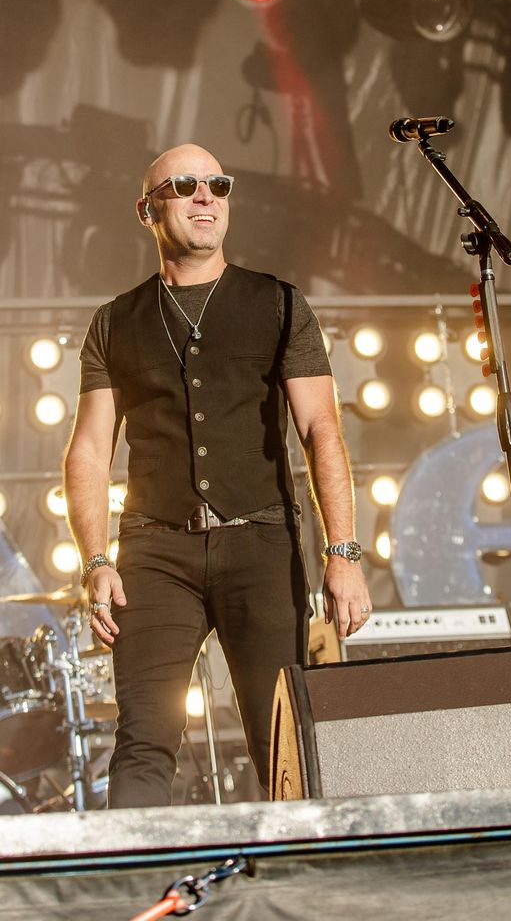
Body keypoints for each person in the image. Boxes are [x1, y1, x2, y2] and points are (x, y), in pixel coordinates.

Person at [63, 144, 372, 808]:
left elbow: (321, 430)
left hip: (260, 545)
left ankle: (296, 873)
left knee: (281, 741)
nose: (206, 197)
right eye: (184, 185)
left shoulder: (279, 304)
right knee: (143, 740)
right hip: (154, 553)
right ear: (147, 210)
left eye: (218, 185)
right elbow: (88, 451)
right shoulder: (115, 322)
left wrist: (343, 553)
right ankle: (132, 873)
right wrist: (96, 561)